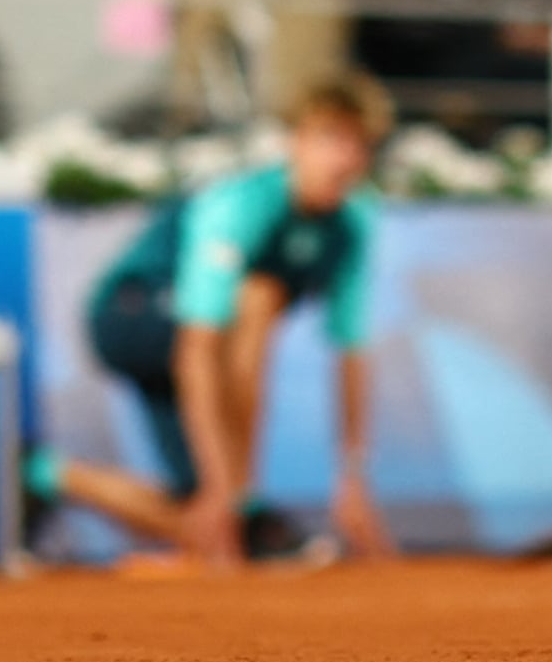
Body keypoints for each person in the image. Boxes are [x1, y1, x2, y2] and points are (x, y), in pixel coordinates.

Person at [37, 76, 398, 570]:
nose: (345, 158)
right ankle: (241, 501)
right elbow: (197, 348)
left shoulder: (354, 223)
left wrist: (353, 479)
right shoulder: (240, 206)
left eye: (360, 144)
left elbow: (352, 353)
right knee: (259, 293)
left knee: (198, 521)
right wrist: (227, 490)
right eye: (329, 137)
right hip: (131, 318)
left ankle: (42, 476)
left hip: (200, 352)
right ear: (293, 142)